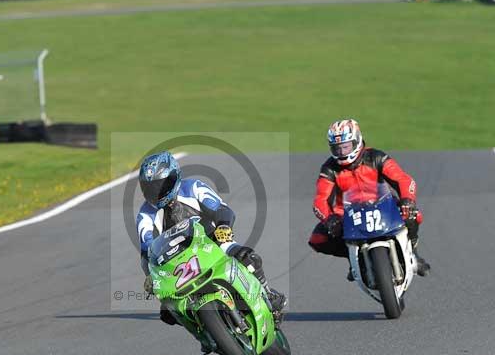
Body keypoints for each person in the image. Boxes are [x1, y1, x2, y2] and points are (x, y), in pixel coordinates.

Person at [136, 151, 287, 334]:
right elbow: (147, 249)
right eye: (151, 188)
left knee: (248, 259)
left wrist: (223, 226)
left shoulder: (192, 187)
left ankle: (267, 294)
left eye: (161, 185)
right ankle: (205, 332)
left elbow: (222, 209)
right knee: (169, 311)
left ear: (174, 177)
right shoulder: (145, 214)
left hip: (213, 242)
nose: (157, 192)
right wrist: (152, 277)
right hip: (177, 263)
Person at [308, 119, 431, 276]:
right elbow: (320, 200)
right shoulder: (329, 169)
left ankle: (413, 254)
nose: (341, 152)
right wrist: (329, 219)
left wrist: (408, 200)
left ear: (357, 141)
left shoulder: (376, 157)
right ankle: (355, 259)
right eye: (337, 149)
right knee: (318, 239)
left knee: (414, 215)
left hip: (384, 204)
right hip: (348, 214)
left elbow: (404, 179)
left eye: (345, 147)